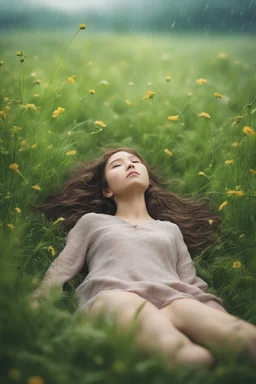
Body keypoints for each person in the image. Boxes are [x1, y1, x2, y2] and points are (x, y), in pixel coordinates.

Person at [30, 147, 256, 369]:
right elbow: (61, 269)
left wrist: (220, 317)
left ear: (148, 181)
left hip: (174, 300)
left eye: (135, 161)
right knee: (191, 358)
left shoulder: (170, 229)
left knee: (247, 339)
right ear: (107, 190)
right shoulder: (92, 222)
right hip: (114, 297)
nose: (129, 164)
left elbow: (192, 284)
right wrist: (37, 301)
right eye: (117, 165)